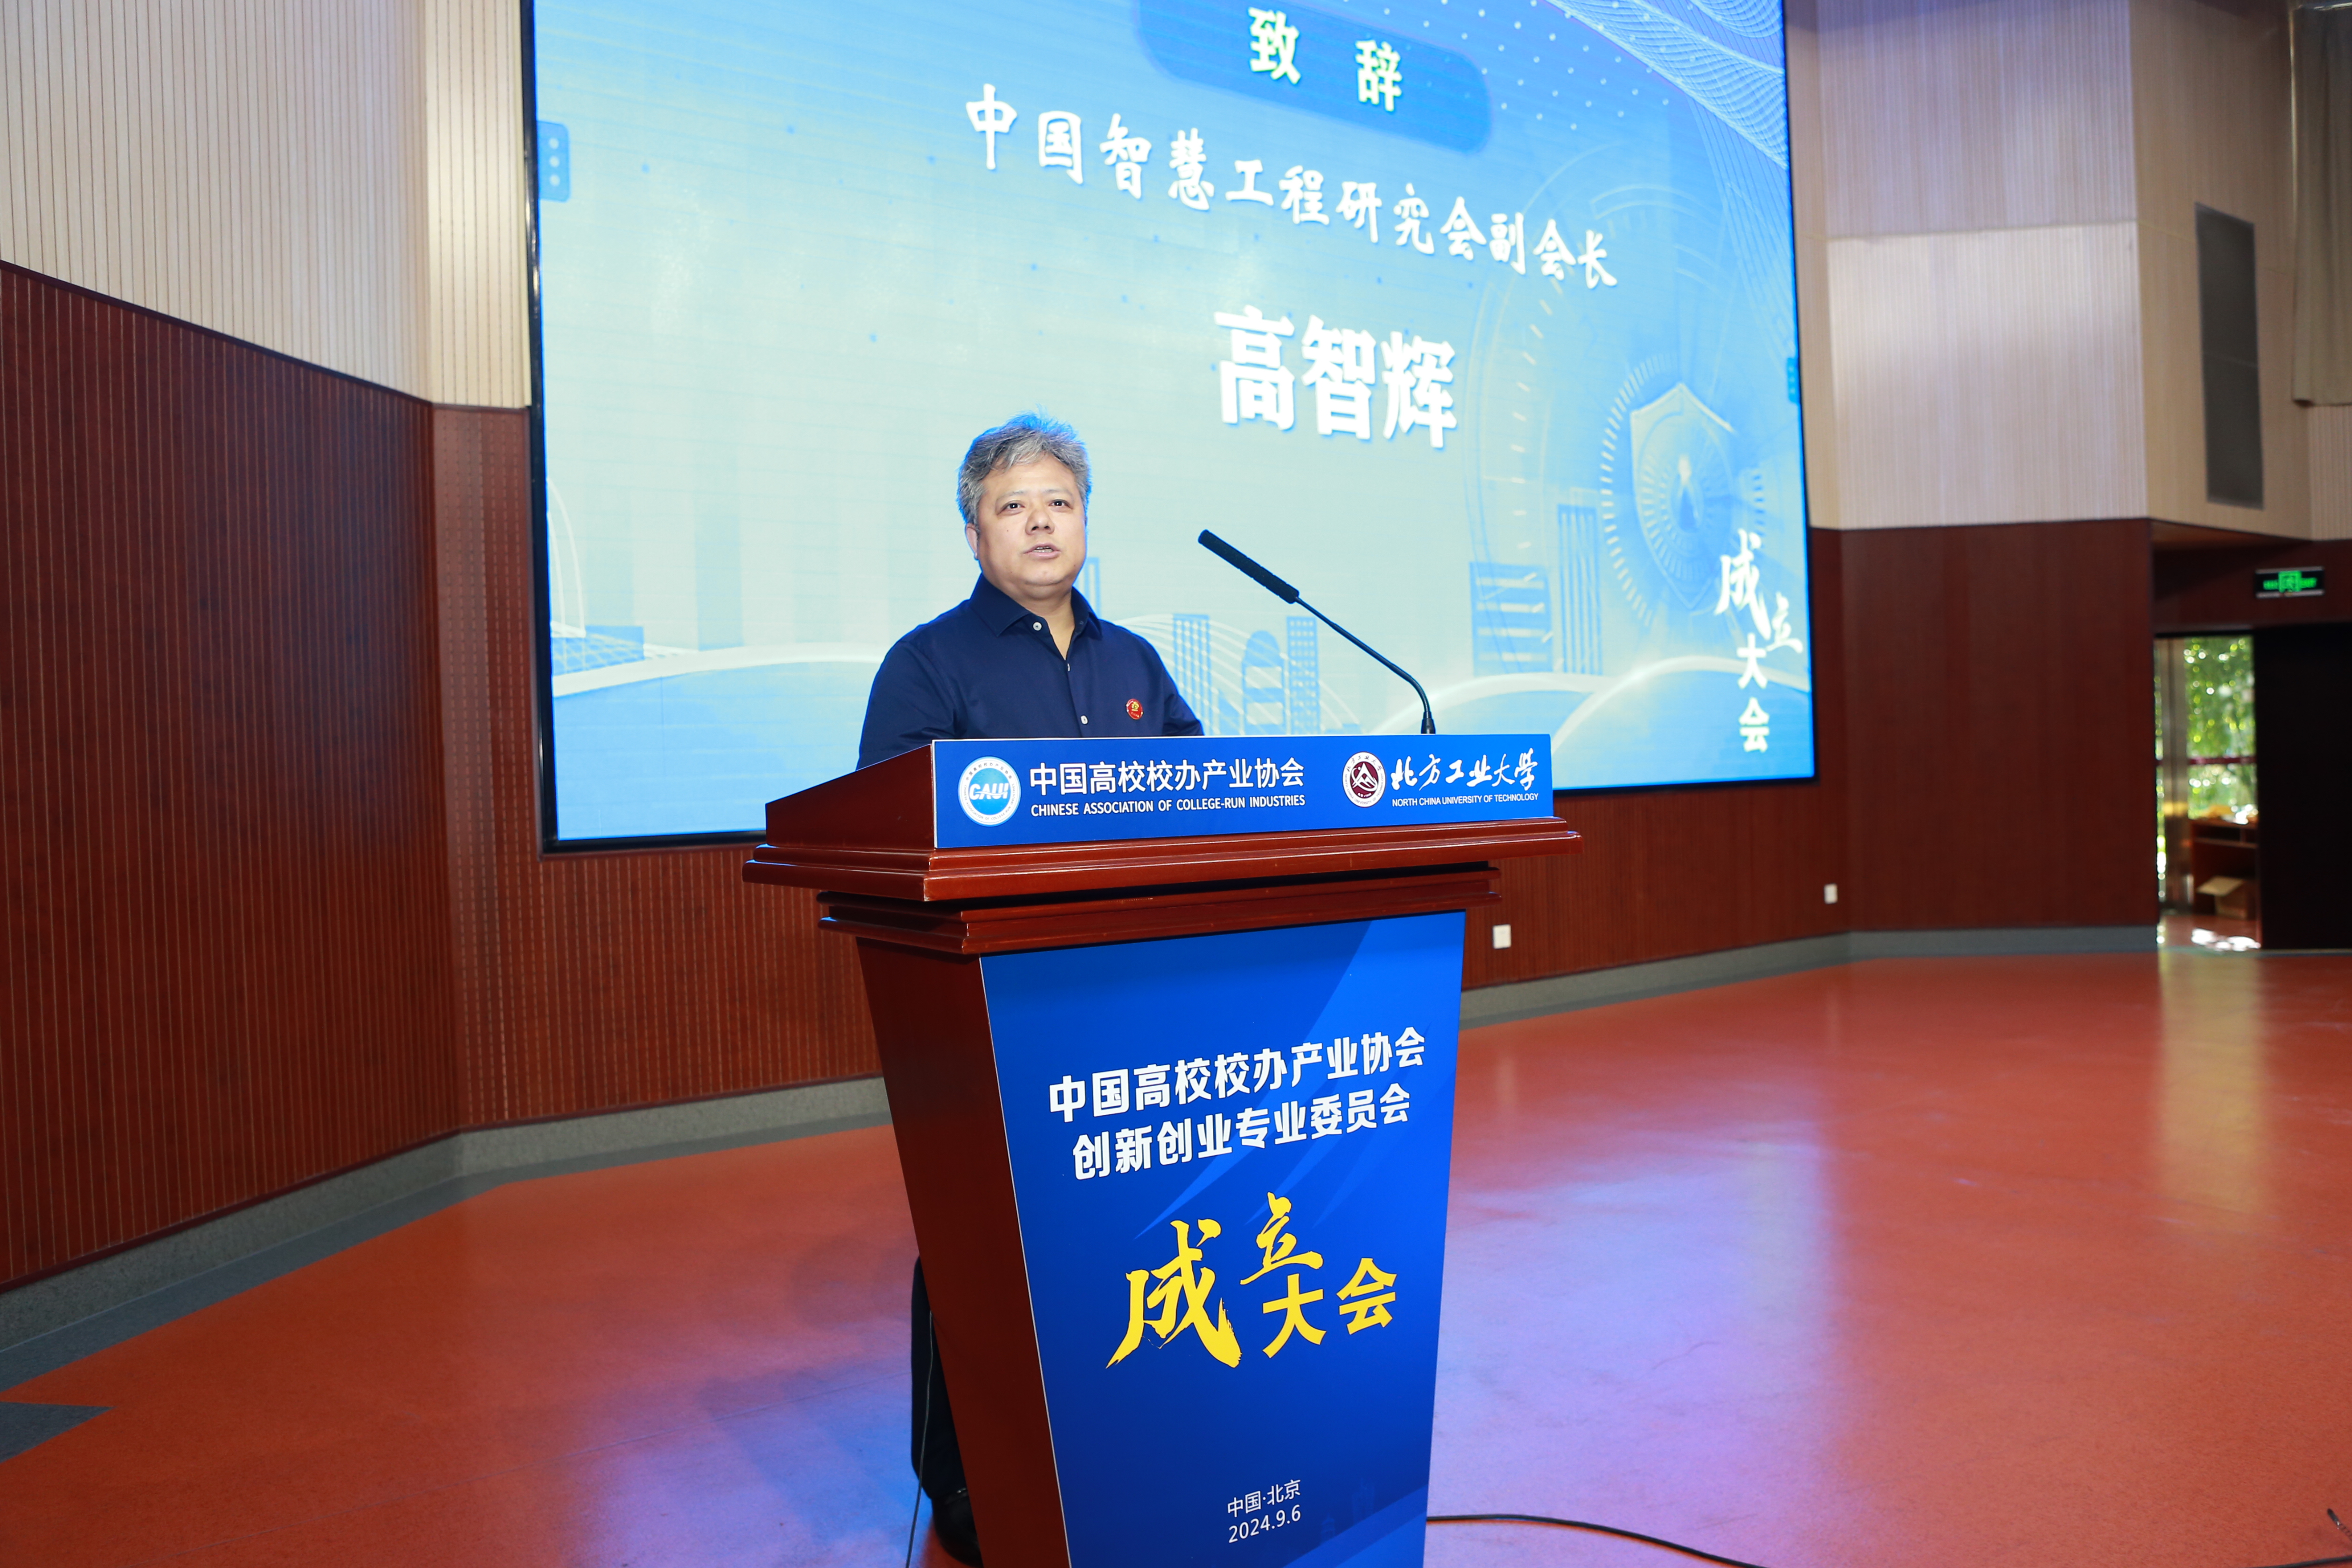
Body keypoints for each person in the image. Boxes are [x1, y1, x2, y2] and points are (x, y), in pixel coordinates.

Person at [859, 414, 1202, 1566]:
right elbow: (889, 825)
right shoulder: (929, 664)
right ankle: (964, 1474)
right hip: (993, 1005)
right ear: (974, 534)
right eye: (1013, 506)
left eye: (1060, 501)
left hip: (1136, 995)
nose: (1042, 523)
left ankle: (1126, 1430)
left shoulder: (1135, 664)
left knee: (1129, 1222)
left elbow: (1206, 805)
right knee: (986, 1235)